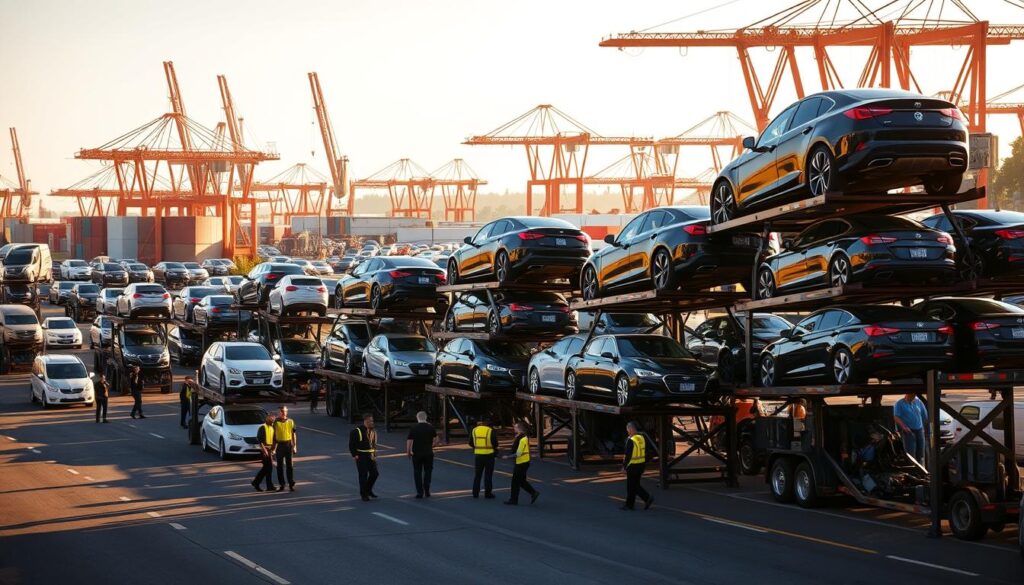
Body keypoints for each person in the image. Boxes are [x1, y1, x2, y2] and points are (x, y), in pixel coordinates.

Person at [503, 421, 539, 506]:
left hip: (521, 463)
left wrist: (508, 457)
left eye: (515, 427)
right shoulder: (520, 437)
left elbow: (518, 453)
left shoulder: (522, 439)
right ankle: (533, 493)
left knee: (515, 482)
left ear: (519, 429)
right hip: (523, 462)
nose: (514, 429)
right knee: (521, 481)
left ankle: (514, 499)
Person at [621, 421, 653, 511]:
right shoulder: (641, 438)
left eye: (628, 429)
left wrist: (624, 466)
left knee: (631, 486)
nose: (628, 431)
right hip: (641, 465)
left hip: (632, 466)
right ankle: (645, 499)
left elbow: (628, 455)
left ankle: (630, 505)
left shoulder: (630, 440)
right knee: (635, 485)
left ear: (631, 429)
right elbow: (648, 451)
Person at [406, 411, 438, 498]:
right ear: (426, 418)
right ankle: (427, 490)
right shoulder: (430, 427)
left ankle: (419, 492)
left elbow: (409, 441)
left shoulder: (414, 428)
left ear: (417, 418)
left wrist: (408, 452)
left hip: (417, 454)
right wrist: (432, 446)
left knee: (417, 472)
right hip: (428, 453)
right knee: (428, 471)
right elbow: (436, 440)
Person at [350, 413, 379, 501]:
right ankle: (364, 494)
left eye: (372, 421)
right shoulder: (357, 431)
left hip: (370, 455)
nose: (371, 422)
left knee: (375, 473)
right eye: (370, 421)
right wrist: (354, 455)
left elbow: (374, 444)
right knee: (363, 475)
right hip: (361, 455)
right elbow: (351, 444)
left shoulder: (373, 431)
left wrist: (374, 454)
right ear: (365, 421)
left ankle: (368, 490)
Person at [893, 392, 927, 463]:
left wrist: (925, 428)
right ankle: (912, 470)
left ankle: (921, 470)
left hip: (919, 430)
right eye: (912, 395)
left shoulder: (919, 402)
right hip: (908, 431)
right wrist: (904, 427)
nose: (913, 396)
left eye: (914, 395)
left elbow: (925, 416)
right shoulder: (899, 404)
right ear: (907, 394)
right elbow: (896, 417)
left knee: (921, 452)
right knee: (911, 453)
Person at [471, 416, 499, 499]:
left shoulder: (474, 430)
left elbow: (470, 442)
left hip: (478, 455)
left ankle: (475, 493)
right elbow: (495, 443)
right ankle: (488, 493)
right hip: (489, 455)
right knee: (488, 475)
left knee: (477, 475)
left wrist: (477, 447)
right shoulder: (490, 430)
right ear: (488, 423)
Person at [273, 406, 298, 491]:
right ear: (279, 412)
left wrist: (294, 446)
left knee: (290, 466)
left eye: (285, 411)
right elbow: (273, 436)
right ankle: (282, 484)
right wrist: (273, 448)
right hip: (279, 445)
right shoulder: (275, 422)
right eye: (282, 411)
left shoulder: (291, 421)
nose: (284, 413)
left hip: (288, 445)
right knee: (279, 466)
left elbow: (293, 434)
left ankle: (291, 483)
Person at [252, 414, 276, 492]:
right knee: (267, 467)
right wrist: (264, 450)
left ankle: (259, 483)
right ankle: (258, 482)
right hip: (264, 450)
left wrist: (273, 449)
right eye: (271, 421)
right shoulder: (263, 427)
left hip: (270, 449)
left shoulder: (272, 427)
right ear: (267, 420)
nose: (272, 422)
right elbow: (260, 440)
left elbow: (274, 439)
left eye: (273, 421)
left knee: (268, 468)